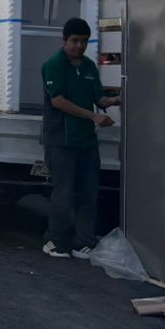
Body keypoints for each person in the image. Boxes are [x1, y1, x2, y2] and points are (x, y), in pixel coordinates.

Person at [40, 17, 119, 260]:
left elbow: (99, 98)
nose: (79, 46)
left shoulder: (88, 67)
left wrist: (117, 98)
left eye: (84, 41)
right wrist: (94, 117)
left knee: (88, 192)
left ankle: (84, 242)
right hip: (61, 141)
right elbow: (58, 101)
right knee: (63, 192)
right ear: (64, 40)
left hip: (86, 141)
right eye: (75, 41)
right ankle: (55, 241)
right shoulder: (53, 65)